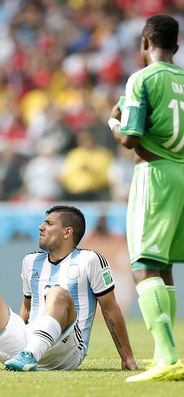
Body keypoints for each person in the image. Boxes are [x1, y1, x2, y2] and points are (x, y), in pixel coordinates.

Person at [0, 205, 137, 372]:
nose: (40, 227)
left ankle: (30, 354)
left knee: (57, 294)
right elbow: (27, 310)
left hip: (67, 352)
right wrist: (15, 336)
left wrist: (127, 357)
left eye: (48, 223)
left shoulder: (90, 259)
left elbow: (110, 308)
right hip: (29, 344)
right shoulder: (31, 261)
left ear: (67, 232)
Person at [108, 14, 184, 382]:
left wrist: (113, 123)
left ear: (143, 45)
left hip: (155, 174)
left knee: (144, 264)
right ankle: (166, 356)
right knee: (164, 264)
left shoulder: (142, 78)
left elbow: (130, 138)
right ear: (178, 45)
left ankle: (168, 356)